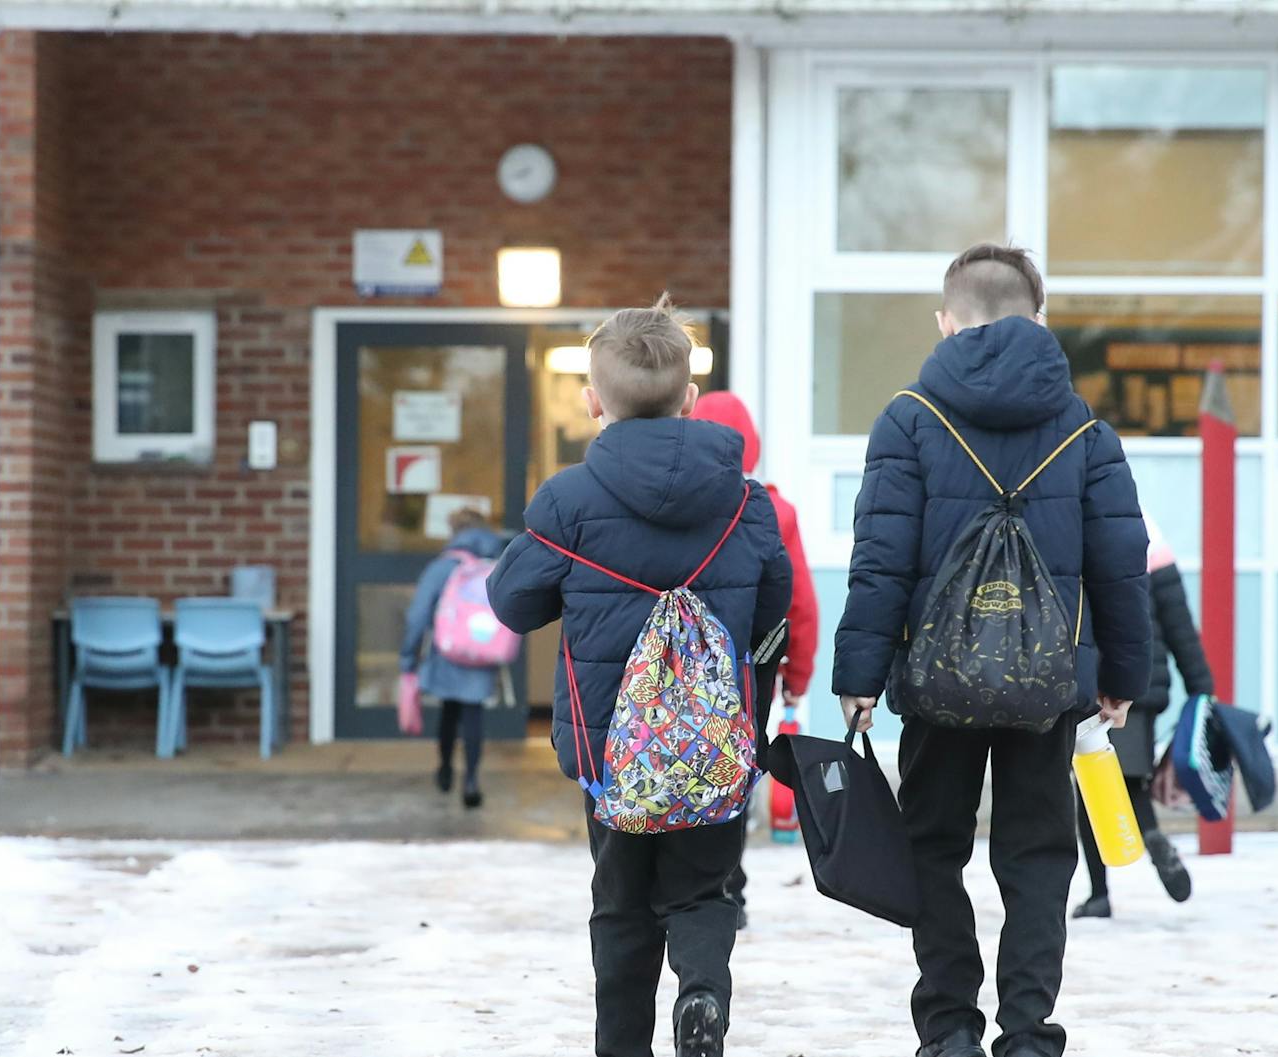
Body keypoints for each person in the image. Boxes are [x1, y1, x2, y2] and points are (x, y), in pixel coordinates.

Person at [833, 243, 1151, 1057]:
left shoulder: (908, 419)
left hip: (936, 680)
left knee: (931, 846)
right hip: (1047, 685)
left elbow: (880, 558)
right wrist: (1121, 675)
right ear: (1038, 319)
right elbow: (1121, 561)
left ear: (947, 321)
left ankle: (948, 1027)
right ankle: (1029, 1032)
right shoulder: (1086, 430)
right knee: (1038, 854)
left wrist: (859, 673)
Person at [486, 296, 792, 1057]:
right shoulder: (747, 502)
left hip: (612, 757)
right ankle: (701, 994)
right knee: (702, 891)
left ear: (593, 401)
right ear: (691, 397)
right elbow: (772, 613)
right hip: (713, 746)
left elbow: (512, 605)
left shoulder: (568, 501)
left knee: (621, 905)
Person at [688, 391, 819, 926]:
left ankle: (685, 882)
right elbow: (799, 602)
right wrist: (797, 675)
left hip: (682, 667)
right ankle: (729, 886)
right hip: (750, 670)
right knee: (735, 772)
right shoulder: (775, 510)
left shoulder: (675, 503)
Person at [1073, 512, 1207, 918]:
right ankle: (1153, 839)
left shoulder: (1079, 524)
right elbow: (1179, 624)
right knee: (1130, 780)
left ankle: (1100, 893)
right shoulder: (1150, 535)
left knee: (1092, 785)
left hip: (1095, 679)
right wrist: (1202, 687)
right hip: (1142, 683)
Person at [398, 506, 503, 808]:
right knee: (473, 713)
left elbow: (417, 615)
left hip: (446, 651)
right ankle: (471, 779)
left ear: (454, 532)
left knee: (449, 711)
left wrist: (409, 658)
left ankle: (445, 767)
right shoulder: (494, 566)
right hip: (481, 649)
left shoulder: (442, 567)